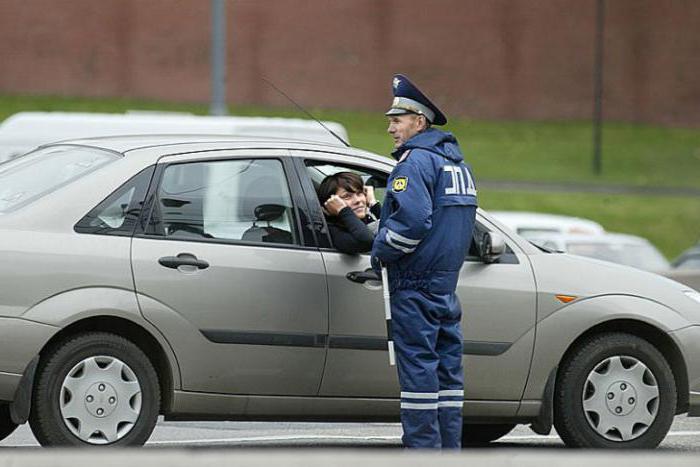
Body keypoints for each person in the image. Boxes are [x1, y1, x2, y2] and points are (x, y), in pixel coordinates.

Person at [371, 74, 478, 449]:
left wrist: (381, 249)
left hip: (414, 285)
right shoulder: (458, 166)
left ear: (419, 121)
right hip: (446, 288)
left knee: (418, 377)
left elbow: (414, 222)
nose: (390, 128)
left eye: (396, 120)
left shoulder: (415, 163)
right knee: (448, 379)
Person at [319, 171, 381, 254]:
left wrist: (373, 204)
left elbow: (396, 229)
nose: (358, 200)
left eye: (360, 193)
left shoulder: (365, 219)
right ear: (330, 203)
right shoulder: (332, 231)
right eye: (347, 196)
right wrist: (343, 210)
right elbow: (367, 241)